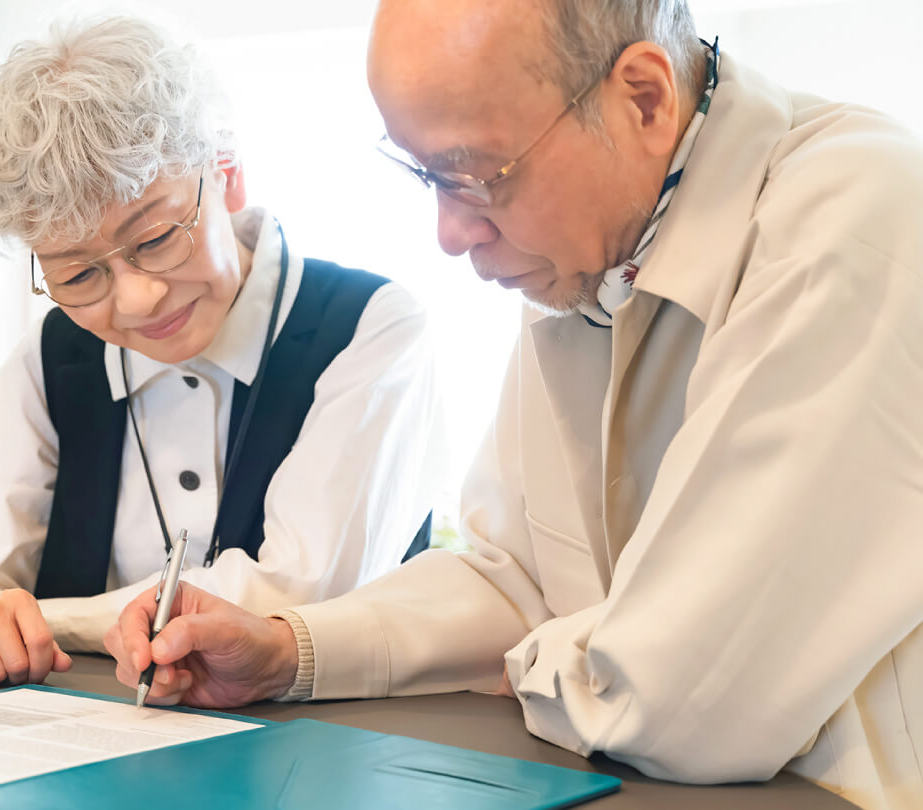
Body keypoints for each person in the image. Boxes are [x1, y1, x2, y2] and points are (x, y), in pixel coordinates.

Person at [103, 2, 923, 809]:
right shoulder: (592, 251)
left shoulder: (853, 217)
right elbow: (519, 578)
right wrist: (288, 651)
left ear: (643, 98)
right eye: (425, 176)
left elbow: (684, 703)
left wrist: (544, 657)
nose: (450, 234)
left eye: (477, 177)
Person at [0, 16, 444, 689]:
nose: (139, 298)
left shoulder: (370, 330)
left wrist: (44, 621)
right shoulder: (57, 352)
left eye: (155, 239)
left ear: (227, 176)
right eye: (79, 274)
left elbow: (298, 597)